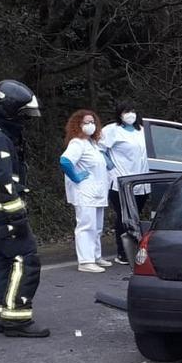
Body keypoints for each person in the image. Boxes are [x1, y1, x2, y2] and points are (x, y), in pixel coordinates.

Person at [0, 79, 48, 337]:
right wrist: (16, 212)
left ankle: (3, 314)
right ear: (9, 110)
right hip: (5, 215)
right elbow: (3, 181)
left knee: (2, 264)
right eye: (21, 115)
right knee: (26, 262)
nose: (23, 121)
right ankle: (17, 319)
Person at [60, 110, 112, 272]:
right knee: (86, 226)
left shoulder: (92, 144)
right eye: (86, 122)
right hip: (85, 192)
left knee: (97, 227)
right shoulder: (77, 143)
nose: (90, 125)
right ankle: (85, 261)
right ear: (78, 125)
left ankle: (96, 256)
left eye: (92, 122)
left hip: (96, 193)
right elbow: (65, 161)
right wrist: (76, 177)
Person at [100, 101, 149, 265]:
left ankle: (134, 248)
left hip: (142, 181)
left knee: (135, 217)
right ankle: (122, 252)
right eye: (126, 111)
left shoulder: (142, 130)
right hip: (121, 180)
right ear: (119, 114)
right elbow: (100, 149)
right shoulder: (111, 130)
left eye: (133, 110)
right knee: (123, 217)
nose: (130, 114)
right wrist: (110, 166)